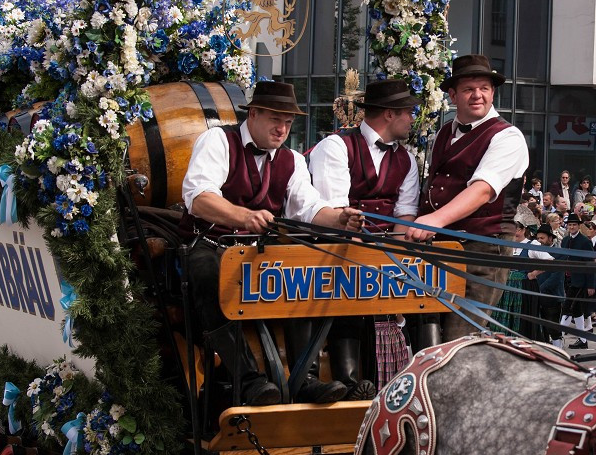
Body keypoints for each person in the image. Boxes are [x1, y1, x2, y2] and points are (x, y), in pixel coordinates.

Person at [181, 81, 362, 405]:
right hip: (210, 242)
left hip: (261, 249)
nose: (282, 128)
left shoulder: (291, 159)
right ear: (253, 114)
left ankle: (304, 379)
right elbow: (199, 198)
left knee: (301, 270)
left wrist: (338, 219)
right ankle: (250, 382)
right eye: (275, 119)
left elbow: (307, 208)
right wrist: (241, 216)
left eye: (288, 122)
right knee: (209, 277)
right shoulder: (219, 141)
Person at [308, 77, 421, 397]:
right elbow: (335, 214)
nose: (412, 119)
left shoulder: (407, 159)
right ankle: (349, 381)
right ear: (389, 113)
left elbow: (404, 216)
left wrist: (394, 260)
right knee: (350, 278)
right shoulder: (336, 146)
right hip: (338, 252)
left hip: (383, 255)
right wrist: (371, 261)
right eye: (408, 112)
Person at [405, 54, 529, 341]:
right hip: (439, 247)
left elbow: (483, 189)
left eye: (484, 88)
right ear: (452, 95)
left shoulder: (508, 137)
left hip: (482, 251)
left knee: (458, 339)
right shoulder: (443, 134)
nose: (477, 95)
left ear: (493, 92)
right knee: (425, 335)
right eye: (468, 89)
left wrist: (432, 220)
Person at [560, 214, 595, 349]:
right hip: (567, 278)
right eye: (570, 225)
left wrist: (591, 285)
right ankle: (582, 339)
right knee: (576, 310)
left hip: (580, 280)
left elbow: (590, 263)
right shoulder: (565, 240)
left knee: (569, 307)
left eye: (574, 224)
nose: (572, 227)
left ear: (579, 226)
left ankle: (559, 335)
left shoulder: (585, 241)